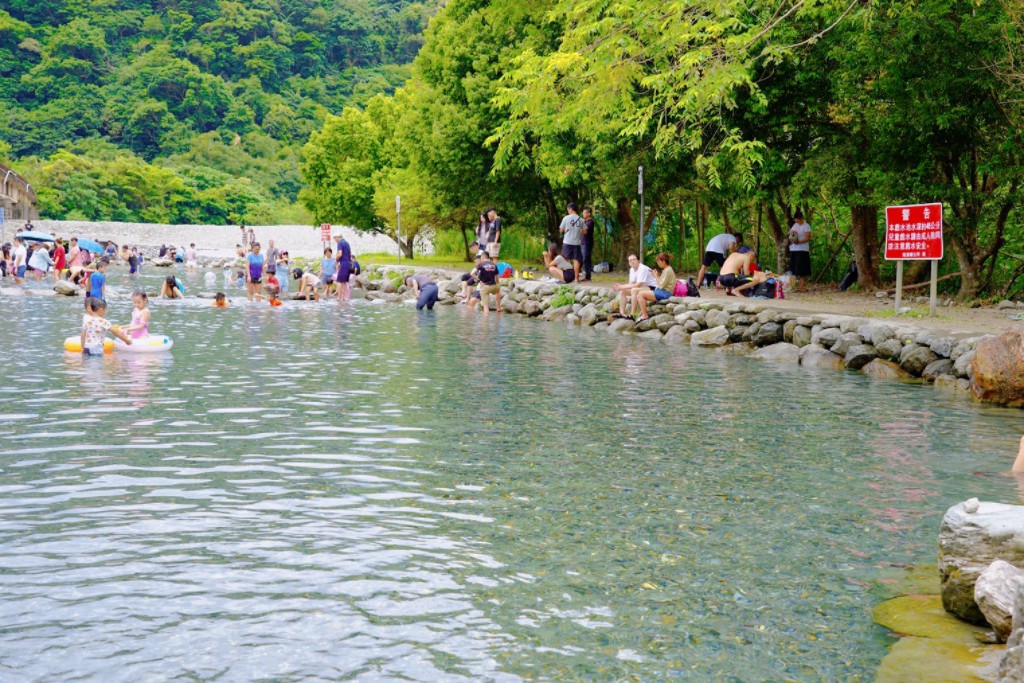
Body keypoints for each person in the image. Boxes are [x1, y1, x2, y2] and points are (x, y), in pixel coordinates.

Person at [632, 253, 677, 320]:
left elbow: (661, 285)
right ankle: (640, 313)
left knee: (640, 295)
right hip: (662, 291)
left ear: (664, 261)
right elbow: (661, 283)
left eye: (659, 261)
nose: (658, 263)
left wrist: (655, 276)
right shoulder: (667, 269)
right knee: (640, 292)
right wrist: (656, 275)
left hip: (665, 293)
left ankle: (644, 315)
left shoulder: (668, 270)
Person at [559, 203, 585, 282]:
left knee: (565, 260)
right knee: (576, 260)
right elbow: (585, 231)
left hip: (567, 242)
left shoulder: (566, 218)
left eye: (568, 209)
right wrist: (577, 230)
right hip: (576, 243)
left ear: (570, 209)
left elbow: (561, 230)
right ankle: (576, 279)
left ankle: (565, 278)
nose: (568, 211)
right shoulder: (581, 219)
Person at [470, 251, 501, 315]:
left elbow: (472, 273)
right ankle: (498, 307)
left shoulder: (481, 264)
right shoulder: (494, 264)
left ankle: (485, 323)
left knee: (486, 307)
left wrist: (479, 281)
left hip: (485, 287)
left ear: (482, 257)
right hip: (494, 286)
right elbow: (497, 279)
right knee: (498, 290)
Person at [788, 211, 812, 292]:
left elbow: (808, 237)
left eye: (798, 220)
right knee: (793, 269)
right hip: (793, 249)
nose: (797, 221)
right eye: (796, 220)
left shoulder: (806, 226)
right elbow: (791, 234)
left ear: (801, 218)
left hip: (802, 249)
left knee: (802, 269)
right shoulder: (795, 225)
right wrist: (791, 234)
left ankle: (802, 287)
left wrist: (799, 241)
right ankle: (793, 287)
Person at [334, 233, 352, 302]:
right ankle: (346, 298)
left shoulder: (340, 243)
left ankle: (339, 298)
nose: (335, 240)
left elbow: (340, 254)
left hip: (343, 265)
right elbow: (349, 254)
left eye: (335, 238)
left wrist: (336, 260)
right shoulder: (347, 243)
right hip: (348, 264)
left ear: (338, 237)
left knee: (339, 281)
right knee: (344, 282)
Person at [580, 207, 595, 282]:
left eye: (585, 213)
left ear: (589, 213)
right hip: (582, 243)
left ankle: (588, 277)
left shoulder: (590, 222)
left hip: (587, 243)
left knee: (586, 259)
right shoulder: (584, 221)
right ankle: (577, 274)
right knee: (581, 259)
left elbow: (584, 231)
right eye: (583, 213)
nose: (583, 214)